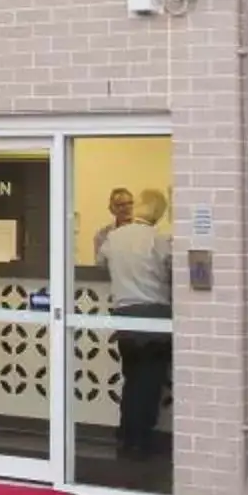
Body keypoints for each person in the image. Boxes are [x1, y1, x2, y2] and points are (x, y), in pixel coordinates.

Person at [96, 187, 173, 461]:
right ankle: (142, 438)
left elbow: (100, 262)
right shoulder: (159, 240)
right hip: (155, 315)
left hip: (124, 315)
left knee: (131, 378)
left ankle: (126, 434)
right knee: (150, 381)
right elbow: (173, 269)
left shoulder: (113, 238)